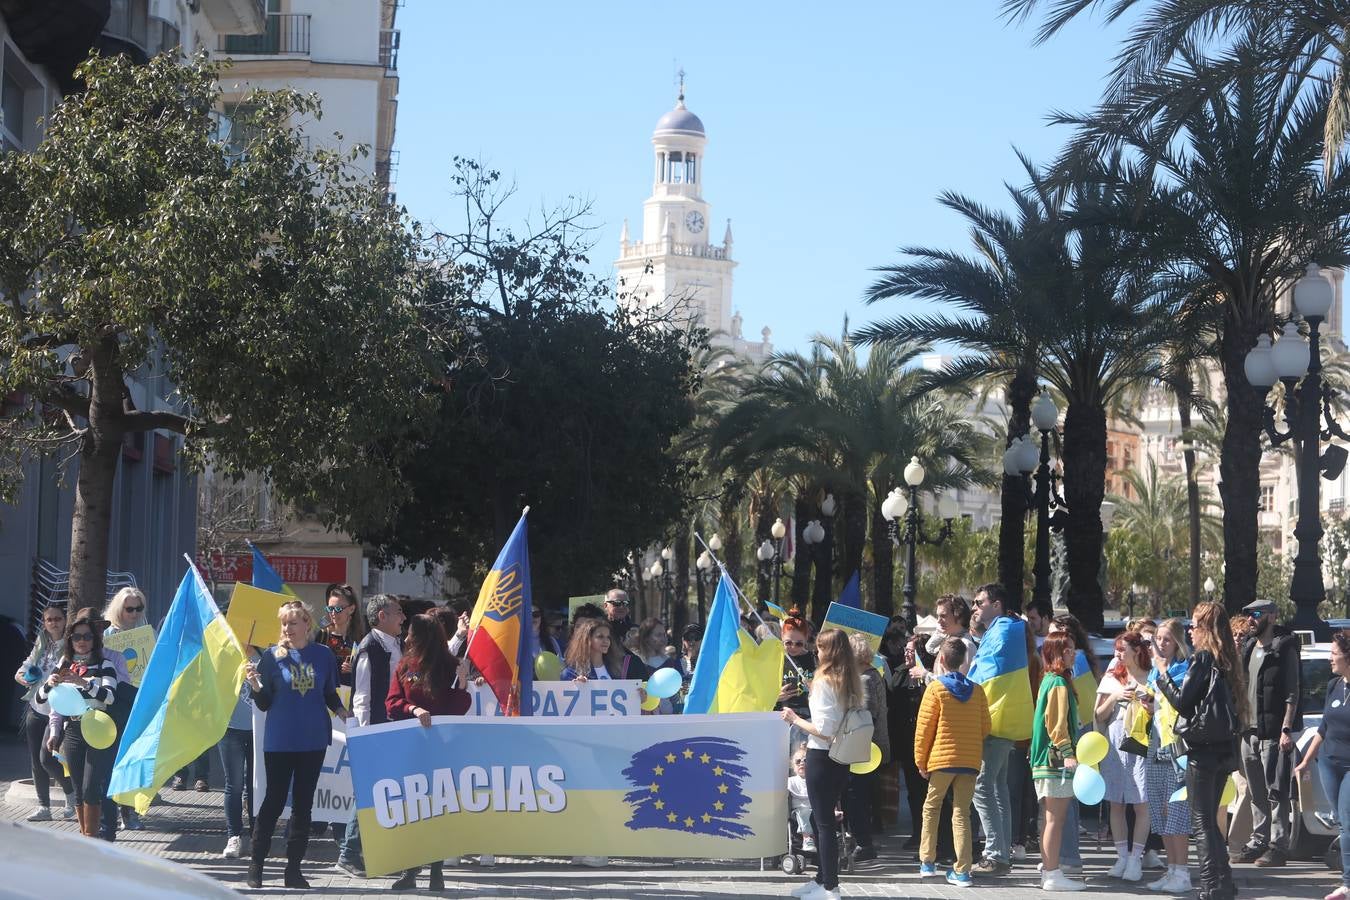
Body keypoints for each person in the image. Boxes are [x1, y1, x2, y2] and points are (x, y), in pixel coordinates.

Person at [244, 601, 351, 889]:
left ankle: (293, 869)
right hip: (280, 741)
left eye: (293, 623)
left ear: (307, 624)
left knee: (303, 806)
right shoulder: (272, 657)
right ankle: (256, 865)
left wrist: (342, 711)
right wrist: (255, 685)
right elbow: (264, 703)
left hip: (313, 740)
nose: (287, 628)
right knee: (274, 801)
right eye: (284, 623)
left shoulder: (323, 655)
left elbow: (329, 693)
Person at [1152, 601, 1248, 900]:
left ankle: (1210, 886)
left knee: (1201, 821)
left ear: (1206, 629)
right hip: (1223, 750)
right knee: (1208, 821)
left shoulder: (1203, 658)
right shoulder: (1227, 659)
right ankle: (1224, 882)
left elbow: (1182, 702)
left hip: (1202, 751)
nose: (1190, 631)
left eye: (1194, 625)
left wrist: (1163, 673)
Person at [386, 614, 471, 891]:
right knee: (412, 809)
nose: (407, 637)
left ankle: (436, 871)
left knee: (437, 809)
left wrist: (462, 683)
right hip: (411, 746)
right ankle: (410, 871)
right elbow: (392, 703)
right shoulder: (405, 665)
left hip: (441, 749)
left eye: (412, 632)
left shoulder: (450, 666)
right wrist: (413, 709)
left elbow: (458, 708)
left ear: (423, 636)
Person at [780, 628, 862, 900]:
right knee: (820, 819)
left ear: (828, 651)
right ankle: (822, 879)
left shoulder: (826, 680)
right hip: (840, 757)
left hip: (823, 755)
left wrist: (794, 718)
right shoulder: (848, 678)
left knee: (824, 823)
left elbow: (824, 730)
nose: (816, 651)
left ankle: (830, 887)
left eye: (820, 647)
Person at [969, 582, 1036, 876]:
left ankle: (996, 855)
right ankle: (1001, 855)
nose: (974, 607)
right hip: (1003, 719)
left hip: (995, 719)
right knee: (997, 788)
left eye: (979, 602)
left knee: (982, 786)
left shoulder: (1004, 630)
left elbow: (983, 676)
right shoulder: (1007, 630)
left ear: (996, 604)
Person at [336, 594, 406, 878]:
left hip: (391, 728)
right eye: (398, 612)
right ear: (382, 616)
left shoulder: (395, 644)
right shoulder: (370, 647)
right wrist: (366, 735)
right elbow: (361, 697)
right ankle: (349, 854)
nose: (403, 617)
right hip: (376, 730)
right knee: (369, 791)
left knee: (384, 792)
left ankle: (377, 854)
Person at [914, 637, 990, 888]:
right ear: (963, 660)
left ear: (942, 659)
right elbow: (985, 727)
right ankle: (963, 870)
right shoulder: (977, 691)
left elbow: (924, 729)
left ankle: (927, 862)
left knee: (931, 807)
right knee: (962, 813)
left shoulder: (935, 689)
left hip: (941, 760)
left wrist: (921, 761)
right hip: (969, 761)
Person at [37, 608, 120, 838]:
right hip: (73, 730)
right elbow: (41, 699)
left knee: (91, 786)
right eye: (76, 637)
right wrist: (49, 684)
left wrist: (83, 683)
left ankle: (93, 840)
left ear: (95, 640)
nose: (82, 641)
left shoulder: (105, 664)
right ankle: (86, 840)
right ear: (70, 640)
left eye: (87, 636)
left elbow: (109, 697)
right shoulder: (65, 663)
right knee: (78, 788)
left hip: (97, 727)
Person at [1235, 597, 1301, 868]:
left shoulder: (1284, 648)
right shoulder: (1249, 647)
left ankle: (1278, 846)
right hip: (1248, 730)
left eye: (1257, 614)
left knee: (1276, 791)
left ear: (1272, 616)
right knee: (1255, 791)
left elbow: (1292, 692)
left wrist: (1286, 729)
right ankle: (1259, 841)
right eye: (1249, 614)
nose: (1251, 620)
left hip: (1272, 732)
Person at [1294, 629, 1350, 900]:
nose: (1330, 658)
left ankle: (1347, 884)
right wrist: (1306, 761)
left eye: (1334, 653)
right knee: (1341, 821)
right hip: (1328, 763)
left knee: (1347, 821)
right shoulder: (1334, 685)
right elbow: (1323, 728)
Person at [1097, 630, 1154, 881]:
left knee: (1141, 802)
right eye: (1116, 649)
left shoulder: (1152, 676)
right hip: (1114, 740)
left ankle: (1135, 859)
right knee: (1116, 802)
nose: (1117, 654)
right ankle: (1121, 857)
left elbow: (1163, 712)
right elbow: (1098, 715)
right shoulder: (1112, 677)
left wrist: (1148, 705)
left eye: (1122, 649)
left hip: (1142, 741)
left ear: (1137, 651)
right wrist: (1115, 697)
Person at [1144, 618, 1194, 894]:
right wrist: (1149, 704)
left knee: (1176, 808)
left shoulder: (1183, 669)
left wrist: (1163, 672)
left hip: (1178, 746)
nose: (1161, 644)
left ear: (1177, 643)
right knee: (1161, 807)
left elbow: (1180, 701)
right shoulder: (1155, 671)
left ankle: (1183, 872)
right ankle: (1172, 869)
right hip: (1158, 742)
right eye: (1158, 639)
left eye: (1166, 639)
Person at [14, 603, 73, 822]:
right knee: (35, 761)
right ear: (44, 623)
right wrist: (21, 676)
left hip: (57, 710)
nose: (54, 623)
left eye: (58, 618)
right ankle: (43, 807)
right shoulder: (42, 643)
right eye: (49, 619)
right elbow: (25, 666)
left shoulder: (70, 645)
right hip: (36, 707)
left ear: (65, 620)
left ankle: (71, 792)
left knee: (47, 758)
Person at [1032, 632, 1083, 892]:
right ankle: (1052, 873)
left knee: (1049, 819)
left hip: (1044, 760)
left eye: (1073, 649)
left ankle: (1049, 871)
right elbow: (1056, 724)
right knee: (1055, 819)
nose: (1072, 654)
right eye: (1067, 650)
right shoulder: (1058, 683)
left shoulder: (1050, 680)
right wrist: (1068, 752)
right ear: (1055, 653)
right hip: (1055, 761)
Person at [844, 631, 889, 861]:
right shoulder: (872, 675)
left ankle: (864, 843)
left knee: (857, 796)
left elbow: (867, 714)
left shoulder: (865, 679)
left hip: (865, 748)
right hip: (869, 747)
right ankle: (862, 840)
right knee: (861, 795)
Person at [219, 646, 258, 859]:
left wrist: (256, 680)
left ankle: (256, 836)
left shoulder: (265, 655)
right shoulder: (224, 653)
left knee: (255, 785)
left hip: (258, 729)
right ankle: (233, 836)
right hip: (230, 728)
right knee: (233, 785)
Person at [320, 583, 365, 689]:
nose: (333, 613)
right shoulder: (323, 635)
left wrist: (356, 669)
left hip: (352, 694)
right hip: (327, 694)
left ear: (351, 609)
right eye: (330, 609)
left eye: (338, 609)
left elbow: (370, 671)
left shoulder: (361, 638)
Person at [788, 747, 815, 852]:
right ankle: (807, 838)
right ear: (794, 766)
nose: (801, 763)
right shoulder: (790, 781)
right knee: (804, 812)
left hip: (815, 808)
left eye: (805, 760)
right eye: (798, 761)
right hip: (798, 811)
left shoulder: (815, 780)